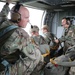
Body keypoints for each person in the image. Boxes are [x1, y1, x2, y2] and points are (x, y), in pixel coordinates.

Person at [0, 2, 44, 75]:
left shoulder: (3, 22)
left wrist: (7, 4)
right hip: (2, 70)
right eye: (26, 17)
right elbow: (34, 52)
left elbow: (3, 14)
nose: (28, 20)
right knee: (38, 56)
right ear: (17, 17)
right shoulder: (21, 34)